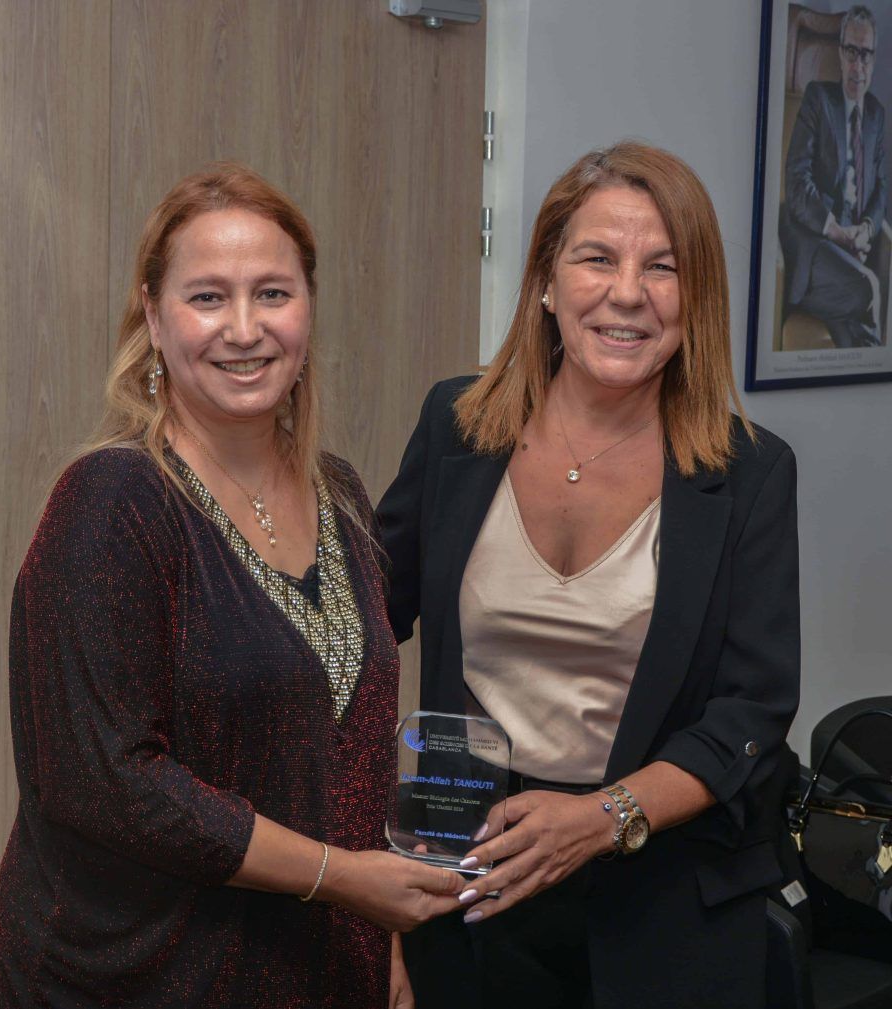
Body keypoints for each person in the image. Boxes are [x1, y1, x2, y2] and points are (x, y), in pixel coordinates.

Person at [0, 164, 464, 1009]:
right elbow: (110, 782)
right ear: (154, 315)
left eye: (272, 293)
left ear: (308, 307)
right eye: (208, 297)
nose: (245, 329)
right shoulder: (113, 501)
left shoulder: (341, 494)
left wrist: (378, 934)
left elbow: (352, 745)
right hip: (138, 974)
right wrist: (343, 878)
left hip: (318, 969)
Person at [378, 142, 800, 1008]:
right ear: (545, 279)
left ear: (696, 297)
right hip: (469, 887)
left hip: (666, 905)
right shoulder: (458, 426)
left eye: (662, 267)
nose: (627, 293)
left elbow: (752, 708)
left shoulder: (750, 472)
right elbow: (362, 625)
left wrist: (605, 818)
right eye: (597, 258)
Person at [780, 4, 886, 348]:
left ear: (874, 58)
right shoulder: (818, 99)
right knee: (867, 287)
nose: (858, 65)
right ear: (840, 54)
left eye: (865, 54)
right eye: (851, 52)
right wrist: (839, 233)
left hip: (854, 248)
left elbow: (881, 187)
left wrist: (866, 229)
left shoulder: (876, 115)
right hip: (818, 240)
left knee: (852, 323)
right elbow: (796, 182)